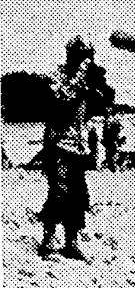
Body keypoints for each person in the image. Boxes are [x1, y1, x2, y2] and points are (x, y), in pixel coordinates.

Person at [38, 36, 110, 260]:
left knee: (79, 197)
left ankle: (72, 242)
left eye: (88, 56)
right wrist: (80, 77)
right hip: (57, 145)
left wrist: (98, 86)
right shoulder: (57, 76)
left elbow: (104, 103)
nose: (86, 61)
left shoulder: (88, 80)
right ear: (71, 56)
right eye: (81, 56)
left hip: (78, 147)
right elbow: (63, 98)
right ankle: (48, 240)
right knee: (59, 192)